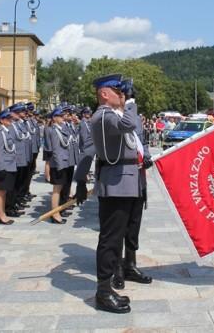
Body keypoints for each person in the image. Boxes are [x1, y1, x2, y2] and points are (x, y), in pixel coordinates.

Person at [90, 73, 140, 314]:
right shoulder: (102, 116)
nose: (121, 94)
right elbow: (128, 125)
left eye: (123, 90)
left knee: (116, 236)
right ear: (104, 94)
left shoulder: (113, 115)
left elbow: (133, 129)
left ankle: (107, 287)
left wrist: (126, 104)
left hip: (124, 183)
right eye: (117, 90)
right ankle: (102, 291)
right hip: (115, 184)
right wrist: (129, 101)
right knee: (110, 240)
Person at [112, 78, 153, 291]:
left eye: (127, 94)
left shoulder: (133, 116)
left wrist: (146, 155)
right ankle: (117, 269)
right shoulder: (112, 116)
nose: (127, 97)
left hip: (137, 177)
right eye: (124, 93)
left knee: (134, 224)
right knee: (119, 226)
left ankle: (131, 264)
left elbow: (141, 140)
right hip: (121, 178)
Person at [0, 109, 17, 225]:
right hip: (3, 167)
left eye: (10, 118)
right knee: (0, 191)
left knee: (4, 192)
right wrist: (1, 168)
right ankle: (0, 215)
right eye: (8, 119)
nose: (10, 120)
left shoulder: (6, 132)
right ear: (1, 120)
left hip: (10, 166)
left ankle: (3, 213)